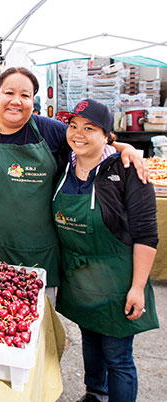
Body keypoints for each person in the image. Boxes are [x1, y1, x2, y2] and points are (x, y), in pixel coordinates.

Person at [0, 67, 149, 306]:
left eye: (25, 95)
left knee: (37, 330)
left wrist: (127, 149)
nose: (16, 101)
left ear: (33, 101)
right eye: (9, 92)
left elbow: (88, 141)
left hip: (39, 254)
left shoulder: (49, 130)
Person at [52, 99, 159, 402]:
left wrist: (137, 287)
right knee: (90, 342)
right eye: (73, 126)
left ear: (107, 135)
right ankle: (94, 394)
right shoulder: (65, 164)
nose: (78, 134)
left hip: (117, 281)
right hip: (81, 280)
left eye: (89, 128)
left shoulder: (126, 172)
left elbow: (147, 236)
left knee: (118, 357)